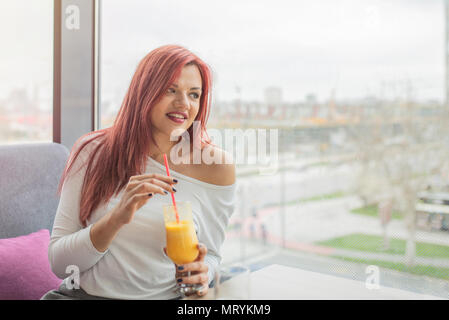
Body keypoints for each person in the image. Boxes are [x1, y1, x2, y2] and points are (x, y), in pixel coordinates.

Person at [41, 45, 236, 300]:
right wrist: (115, 219)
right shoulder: (93, 151)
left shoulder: (216, 167)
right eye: (171, 89)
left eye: (194, 94)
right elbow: (60, 264)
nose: (183, 103)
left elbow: (211, 255)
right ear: (144, 91)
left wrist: (202, 274)